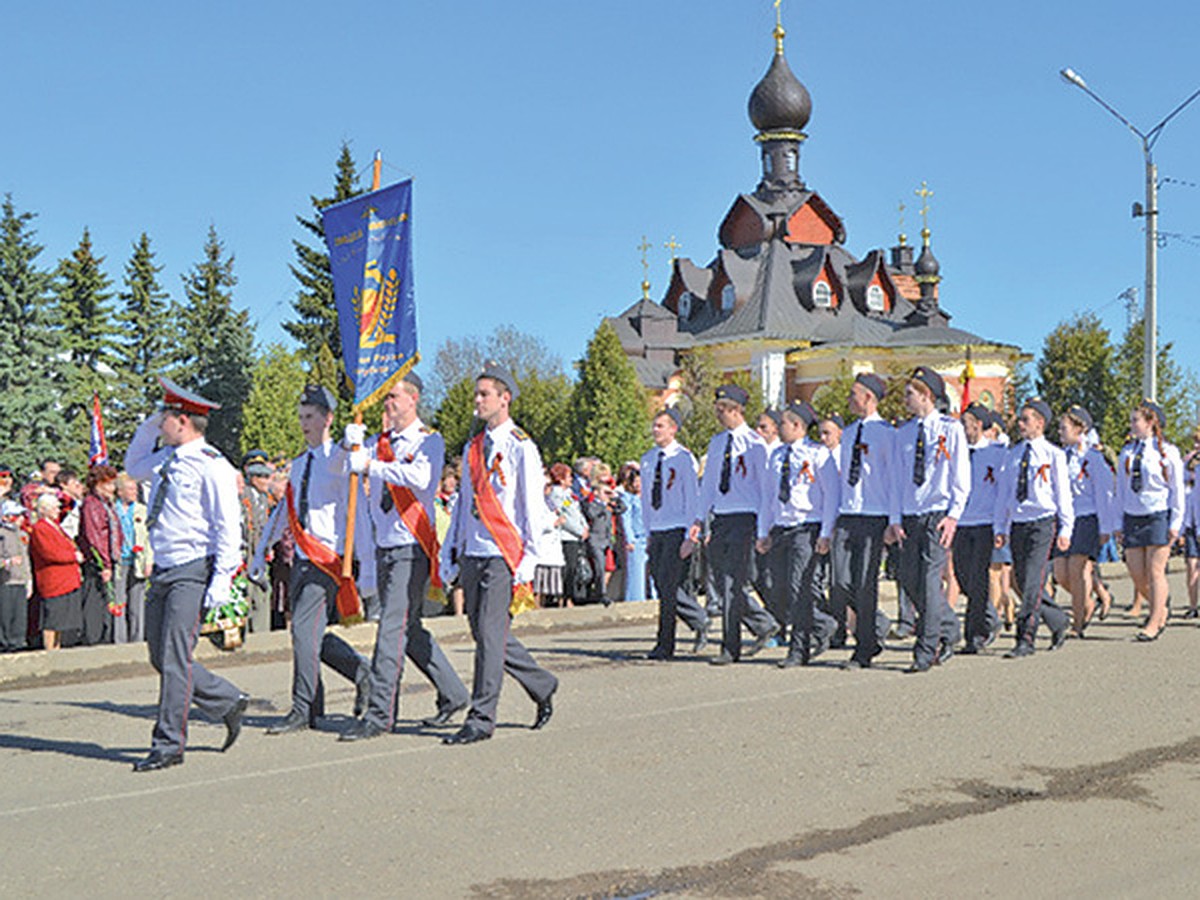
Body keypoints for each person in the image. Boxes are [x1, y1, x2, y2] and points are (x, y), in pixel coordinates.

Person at [124, 377, 249, 771]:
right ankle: (227, 700)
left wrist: (222, 579)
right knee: (161, 656)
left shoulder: (212, 464)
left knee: (177, 658)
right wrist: (148, 426)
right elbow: (132, 467)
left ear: (182, 421)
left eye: (165, 417)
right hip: (163, 568)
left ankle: (168, 745)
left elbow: (229, 526)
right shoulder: (166, 458)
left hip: (193, 569)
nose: (160, 424)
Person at [339, 371, 471, 741]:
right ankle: (454, 693)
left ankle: (380, 714)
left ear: (412, 399)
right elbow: (343, 467)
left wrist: (370, 465)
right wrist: (347, 445)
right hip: (384, 546)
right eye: (386, 398)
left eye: (393, 397)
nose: (388, 404)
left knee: (391, 629)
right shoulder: (378, 442)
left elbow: (421, 478)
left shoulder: (429, 440)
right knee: (409, 630)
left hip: (411, 547)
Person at [439, 361, 558, 745]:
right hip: (474, 550)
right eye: (476, 394)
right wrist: (451, 549)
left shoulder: (521, 446)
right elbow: (461, 504)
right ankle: (542, 683)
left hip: (503, 554)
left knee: (490, 636)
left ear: (504, 399)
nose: (477, 400)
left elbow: (531, 508)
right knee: (486, 633)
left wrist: (529, 560)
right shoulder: (473, 447)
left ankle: (481, 717)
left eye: (484, 394)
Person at [251, 385, 370, 735]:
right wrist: (262, 549)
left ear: (328, 419)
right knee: (309, 633)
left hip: (326, 559)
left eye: (310, 417)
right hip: (302, 558)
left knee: (303, 630)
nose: (303, 423)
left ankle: (302, 708)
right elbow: (285, 514)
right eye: (301, 417)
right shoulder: (301, 464)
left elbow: (352, 471)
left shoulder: (337, 459)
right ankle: (360, 673)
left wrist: (353, 441)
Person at [689, 384, 780, 665]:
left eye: (723, 410)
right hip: (722, 517)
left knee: (734, 582)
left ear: (737, 410)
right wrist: (698, 518)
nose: (719, 415)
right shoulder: (717, 443)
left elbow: (765, 490)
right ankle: (762, 624)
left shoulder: (755, 444)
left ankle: (731, 647)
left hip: (746, 517)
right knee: (720, 580)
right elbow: (708, 487)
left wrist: (763, 529)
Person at [889, 368, 970, 673]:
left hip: (937, 515)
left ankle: (926, 649)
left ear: (926, 395)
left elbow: (962, 476)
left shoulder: (950, 429)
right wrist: (895, 519)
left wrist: (953, 515)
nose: (906, 398)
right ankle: (948, 627)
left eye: (910, 392)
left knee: (928, 580)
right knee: (910, 580)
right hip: (910, 516)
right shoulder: (904, 433)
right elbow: (897, 480)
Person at [820, 373, 898, 669]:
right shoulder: (850, 432)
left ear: (869, 397)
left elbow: (893, 480)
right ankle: (875, 626)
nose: (850, 399)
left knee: (866, 583)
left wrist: (893, 520)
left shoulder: (886, 433)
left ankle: (864, 647)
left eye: (854, 394)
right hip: (848, 514)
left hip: (874, 515)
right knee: (839, 581)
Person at [757, 401, 839, 667]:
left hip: (807, 527)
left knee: (799, 589)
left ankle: (798, 648)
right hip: (781, 528)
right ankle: (824, 625)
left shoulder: (817, 454)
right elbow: (769, 497)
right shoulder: (777, 455)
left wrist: (826, 532)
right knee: (777, 587)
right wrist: (764, 530)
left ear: (797, 426)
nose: (779, 428)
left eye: (783, 423)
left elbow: (831, 496)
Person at [994, 398, 1073, 659]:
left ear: (1040, 423)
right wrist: (1001, 527)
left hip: (1043, 522)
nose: (1020, 423)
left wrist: (1065, 529)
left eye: (1025, 419)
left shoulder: (1054, 455)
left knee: (1033, 581)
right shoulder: (1014, 454)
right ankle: (1058, 619)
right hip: (1018, 523)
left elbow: (1063, 495)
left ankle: (1025, 637)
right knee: (1023, 580)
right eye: (1020, 419)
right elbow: (1005, 495)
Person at [641, 409, 709, 659]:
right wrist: (647, 532)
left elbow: (692, 497)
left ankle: (665, 644)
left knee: (669, 587)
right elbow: (647, 499)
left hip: (676, 527)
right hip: (657, 528)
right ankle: (699, 618)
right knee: (661, 585)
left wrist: (691, 535)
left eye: (661, 426)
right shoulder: (648, 459)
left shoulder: (683, 458)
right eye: (654, 425)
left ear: (673, 429)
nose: (655, 430)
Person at [1114, 401, 1184, 642]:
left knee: (1155, 571)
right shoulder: (1128, 451)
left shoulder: (1167, 452)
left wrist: (1176, 522)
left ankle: (1154, 622)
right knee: (1136, 572)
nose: (1132, 425)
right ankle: (1161, 605)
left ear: (1151, 422)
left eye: (1136, 420)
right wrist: (1117, 523)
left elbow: (1177, 490)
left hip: (1157, 514)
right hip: (1133, 515)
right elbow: (1120, 490)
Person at [1054, 406, 1118, 637]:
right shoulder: (1061, 456)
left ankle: (1078, 622)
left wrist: (1106, 527)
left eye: (1064, 428)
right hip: (1065, 519)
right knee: (1061, 573)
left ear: (1080, 429)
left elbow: (1104, 493)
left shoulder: (1093, 457)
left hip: (1087, 517)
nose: (1060, 432)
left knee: (1077, 569)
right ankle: (1090, 601)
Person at [954, 404, 1006, 654]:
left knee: (978, 580)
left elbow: (1001, 491)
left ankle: (975, 635)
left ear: (978, 424)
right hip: (961, 521)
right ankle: (990, 619)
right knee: (963, 577)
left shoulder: (997, 453)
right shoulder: (957, 451)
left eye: (966, 422)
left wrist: (1000, 525)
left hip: (985, 522)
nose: (962, 427)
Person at [29, 493, 82, 651]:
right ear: (44, 509)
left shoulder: (55, 526)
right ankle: (49, 650)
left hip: (66, 579)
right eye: (54, 508)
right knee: (52, 620)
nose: (58, 510)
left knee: (61, 621)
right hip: (53, 580)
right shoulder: (40, 528)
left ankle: (56, 649)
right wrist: (73, 556)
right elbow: (49, 553)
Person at [77, 464, 121, 645]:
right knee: (95, 601)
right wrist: (105, 563)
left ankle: (104, 636)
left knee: (105, 601)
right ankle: (94, 639)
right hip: (97, 561)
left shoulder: (106, 504)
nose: (113, 488)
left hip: (108, 557)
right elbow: (94, 536)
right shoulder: (92, 504)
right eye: (109, 484)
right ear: (98, 484)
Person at [113, 472, 151, 643]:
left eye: (135, 488)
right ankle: (119, 640)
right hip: (119, 560)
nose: (134, 492)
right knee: (119, 602)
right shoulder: (113, 510)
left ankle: (137, 638)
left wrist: (149, 561)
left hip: (138, 560)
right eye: (130, 489)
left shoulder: (142, 510)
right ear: (120, 491)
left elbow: (149, 538)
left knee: (137, 604)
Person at [241, 450, 275, 633]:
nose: (267, 481)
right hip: (247, 555)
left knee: (263, 594)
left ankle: (262, 636)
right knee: (248, 596)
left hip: (261, 554)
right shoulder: (243, 496)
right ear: (253, 478)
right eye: (263, 477)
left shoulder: (263, 498)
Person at [547, 463, 588, 608]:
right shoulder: (556, 494)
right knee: (567, 569)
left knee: (573, 568)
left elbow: (575, 511)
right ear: (561, 478)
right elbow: (563, 516)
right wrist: (578, 530)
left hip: (575, 536)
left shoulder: (569, 493)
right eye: (569, 476)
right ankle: (564, 597)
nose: (571, 479)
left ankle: (569, 596)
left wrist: (585, 526)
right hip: (566, 536)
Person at [0, 465, 31, 652]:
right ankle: (5, 643)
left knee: (18, 614)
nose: (7, 481)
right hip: (4, 577)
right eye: (3, 477)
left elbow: (24, 555)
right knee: (4, 614)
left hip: (18, 577)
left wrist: (28, 580)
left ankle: (17, 642)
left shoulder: (17, 531)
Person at [434, 464, 465, 615]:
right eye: (448, 479)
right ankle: (456, 612)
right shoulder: (437, 502)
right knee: (455, 581)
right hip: (440, 544)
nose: (452, 482)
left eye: (454, 479)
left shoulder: (458, 498)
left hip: (456, 541)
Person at [619, 465, 650, 602]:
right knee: (636, 573)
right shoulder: (628, 498)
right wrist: (630, 539)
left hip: (650, 537)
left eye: (640, 481)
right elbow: (626, 519)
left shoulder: (650, 497)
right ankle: (635, 599)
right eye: (635, 481)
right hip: (637, 539)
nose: (638, 484)